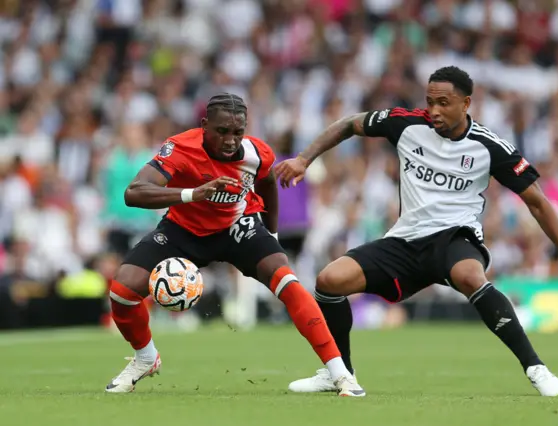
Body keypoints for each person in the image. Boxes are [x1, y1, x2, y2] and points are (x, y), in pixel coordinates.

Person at [275, 66, 558, 397]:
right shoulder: (406, 124)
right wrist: (305, 159)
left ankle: (536, 368)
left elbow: (537, 202)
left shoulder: (488, 146)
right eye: (429, 101)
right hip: (405, 239)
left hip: (455, 237)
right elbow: (350, 123)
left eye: (443, 103)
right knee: (329, 280)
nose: (434, 110)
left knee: (470, 275)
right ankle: (340, 373)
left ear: (466, 104)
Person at [106, 93, 364, 397]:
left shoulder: (257, 153)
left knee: (290, 283)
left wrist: (272, 236)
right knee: (122, 292)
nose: (230, 140)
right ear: (204, 125)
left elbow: (267, 183)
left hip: (237, 227)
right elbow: (134, 192)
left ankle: (341, 374)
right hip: (183, 229)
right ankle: (146, 358)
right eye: (222, 131)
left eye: (237, 132)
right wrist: (193, 194)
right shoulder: (180, 147)